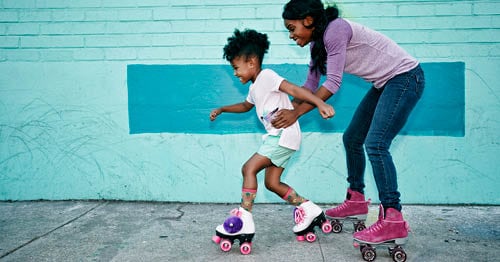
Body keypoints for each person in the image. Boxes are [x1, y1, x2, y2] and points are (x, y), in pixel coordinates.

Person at [276, 0, 425, 246]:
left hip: (405, 78)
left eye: (292, 28)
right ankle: (356, 199)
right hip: (386, 83)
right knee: (353, 138)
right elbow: (310, 87)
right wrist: (285, 109)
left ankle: (393, 219)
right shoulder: (317, 44)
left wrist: (296, 114)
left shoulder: (335, 30)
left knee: (376, 145)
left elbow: (332, 83)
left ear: (309, 21)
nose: (291, 35)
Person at [210, 28, 335, 251]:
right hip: (281, 137)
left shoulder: (267, 76)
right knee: (272, 183)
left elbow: (294, 89)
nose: (235, 73)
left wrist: (320, 103)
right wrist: (222, 109)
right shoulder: (255, 87)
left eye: (236, 68)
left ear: (252, 61)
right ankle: (310, 209)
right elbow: (245, 106)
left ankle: (244, 219)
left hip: (283, 135)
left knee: (248, 168)